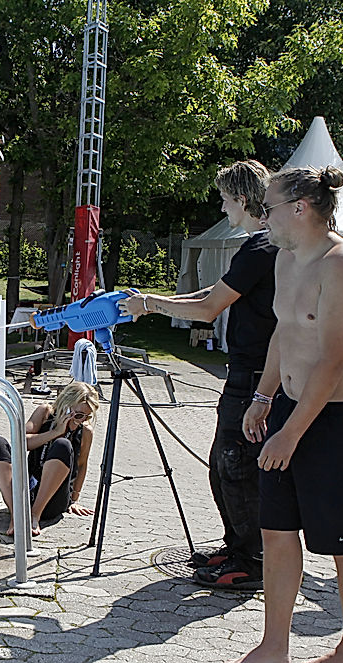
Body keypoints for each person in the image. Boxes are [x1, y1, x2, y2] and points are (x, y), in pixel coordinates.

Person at [218, 165, 343, 663]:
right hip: (289, 406)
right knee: (276, 532)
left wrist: (291, 435)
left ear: (300, 208)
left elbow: (333, 362)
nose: (261, 216)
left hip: (342, 418)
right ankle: (273, 649)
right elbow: (284, 336)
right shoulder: (286, 260)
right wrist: (263, 397)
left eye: (267, 207)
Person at [119, 160, 277, 589]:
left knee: (235, 466)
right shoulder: (258, 247)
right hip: (246, 369)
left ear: (243, 200)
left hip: (256, 373)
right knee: (222, 465)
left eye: (226, 201)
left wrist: (151, 305)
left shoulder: (262, 247)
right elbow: (214, 293)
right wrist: (153, 298)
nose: (223, 210)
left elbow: (209, 309)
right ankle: (237, 546)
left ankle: (252, 561)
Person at [0, 381, 98, 538]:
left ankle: (34, 515)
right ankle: (16, 514)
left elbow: (82, 464)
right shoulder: (45, 412)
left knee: (63, 445)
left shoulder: (85, 430)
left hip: (53, 498)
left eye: (88, 416)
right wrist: (56, 431)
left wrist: (74, 500)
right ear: (66, 405)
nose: (81, 420)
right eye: (79, 415)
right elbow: (21, 442)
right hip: (28, 487)